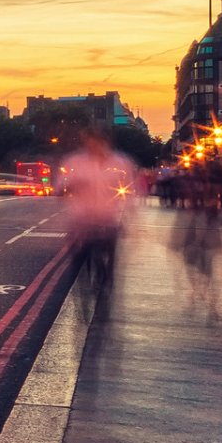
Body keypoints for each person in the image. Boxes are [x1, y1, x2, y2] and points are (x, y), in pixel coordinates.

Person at [58, 129, 134, 315]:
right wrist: (70, 187)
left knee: (109, 260)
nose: (94, 147)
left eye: (98, 142)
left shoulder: (120, 163)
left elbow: (131, 191)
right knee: (78, 260)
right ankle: (81, 297)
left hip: (108, 218)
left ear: (106, 142)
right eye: (90, 142)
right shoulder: (75, 162)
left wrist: (128, 216)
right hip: (81, 220)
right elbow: (60, 187)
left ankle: (106, 284)